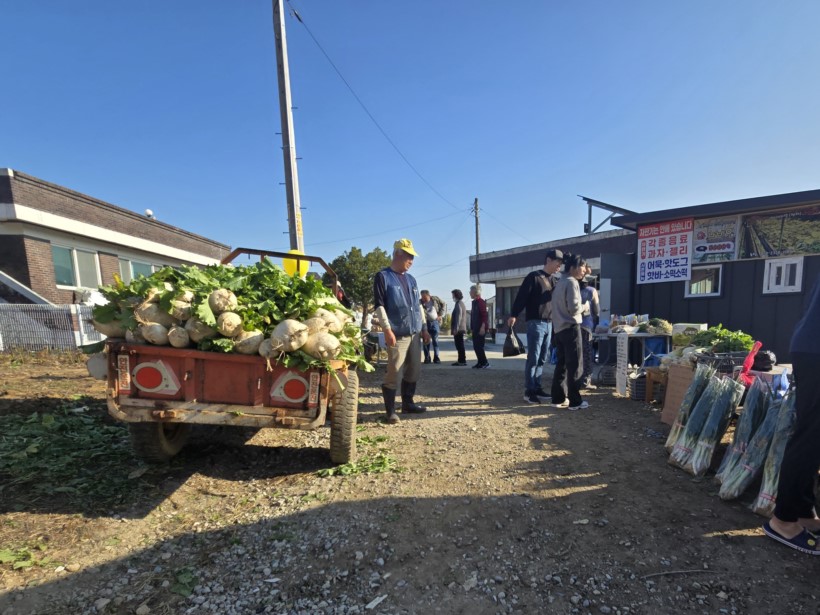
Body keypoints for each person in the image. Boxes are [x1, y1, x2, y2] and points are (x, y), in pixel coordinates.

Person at [762, 277, 820, 555]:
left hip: (810, 345)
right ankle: (783, 520)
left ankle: (801, 510)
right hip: (816, 348)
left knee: (811, 435)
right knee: (811, 438)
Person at [372, 238, 431, 424]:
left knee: (414, 369)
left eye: (412, 257)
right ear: (398, 253)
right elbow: (379, 306)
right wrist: (387, 329)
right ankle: (390, 411)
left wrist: (424, 328)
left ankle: (408, 403)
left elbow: (418, 306)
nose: (411, 261)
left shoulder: (412, 280)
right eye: (409, 256)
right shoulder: (383, 277)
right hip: (397, 333)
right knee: (394, 371)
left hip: (414, 333)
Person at [506, 248, 564, 404]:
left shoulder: (554, 280)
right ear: (548, 260)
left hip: (549, 323)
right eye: (557, 262)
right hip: (535, 322)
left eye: (561, 263)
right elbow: (521, 297)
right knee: (534, 357)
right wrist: (514, 314)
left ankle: (537, 388)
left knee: (542, 358)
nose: (559, 266)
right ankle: (529, 390)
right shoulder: (534, 277)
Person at [550, 254, 588, 410]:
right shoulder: (572, 282)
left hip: (559, 329)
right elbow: (574, 308)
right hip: (571, 328)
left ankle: (558, 398)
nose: (585, 270)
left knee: (562, 365)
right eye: (583, 266)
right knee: (575, 366)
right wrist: (585, 307)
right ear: (573, 267)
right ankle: (575, 401)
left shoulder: (560, 282)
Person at [579, 265, 600, 390]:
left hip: (573, 325)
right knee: (587, 354)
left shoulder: (573, 290)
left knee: (576, 354)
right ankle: (586, 380)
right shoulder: (592, 291)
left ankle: (575, 379)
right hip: (587, 326)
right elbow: (596, 311)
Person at [420, 290, 445, 364]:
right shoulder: (420, 302)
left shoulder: (435, 299)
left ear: (429, 296)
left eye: (425, 297)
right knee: (426, 341)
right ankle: (427, 358)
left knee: (435, 341)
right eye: (422, 297)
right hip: (425, 323)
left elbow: (443, 304)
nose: (423, 299)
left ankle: (436, 358)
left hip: (435, 322)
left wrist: (440, 314)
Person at [469, 284, 489, 368]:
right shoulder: (474, 302)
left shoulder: (481, 302)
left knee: (479, 346)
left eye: (471, 291)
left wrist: (483, 327)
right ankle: (480, 362)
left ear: (475, 292)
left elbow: (484, 315)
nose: (469, 293)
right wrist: (472, 328)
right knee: (476, 346)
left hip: (481, 328)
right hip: (475, 328)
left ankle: (485, 363)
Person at [450, 289, 468, 366]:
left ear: (456, 295)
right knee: (460, 345)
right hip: (461, 328)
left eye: (453, 295)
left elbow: (458, 317)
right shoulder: (461, 303)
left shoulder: (458, 304)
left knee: (459, 345)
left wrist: (455, 329)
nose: (452, 297)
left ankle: (462, 360)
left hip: (459, 329)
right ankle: (461, 360)